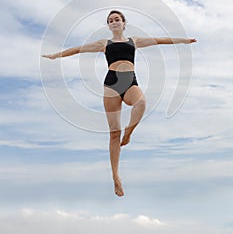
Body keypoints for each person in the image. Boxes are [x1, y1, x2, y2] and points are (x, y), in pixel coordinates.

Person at [42, 10, 197, 197]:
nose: (114, 22)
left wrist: (183, 40)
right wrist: (55, 56)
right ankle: (116, 177)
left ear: (124, 23)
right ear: (108, 26)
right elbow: (77, 49)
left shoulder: (135, 41)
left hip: (130, 80)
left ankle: (129, 132)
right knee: (113, 133)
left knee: (140, 103)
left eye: (117, 19)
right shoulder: (103, 44)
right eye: (110, 20)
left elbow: (160, 40)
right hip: (112, 83)